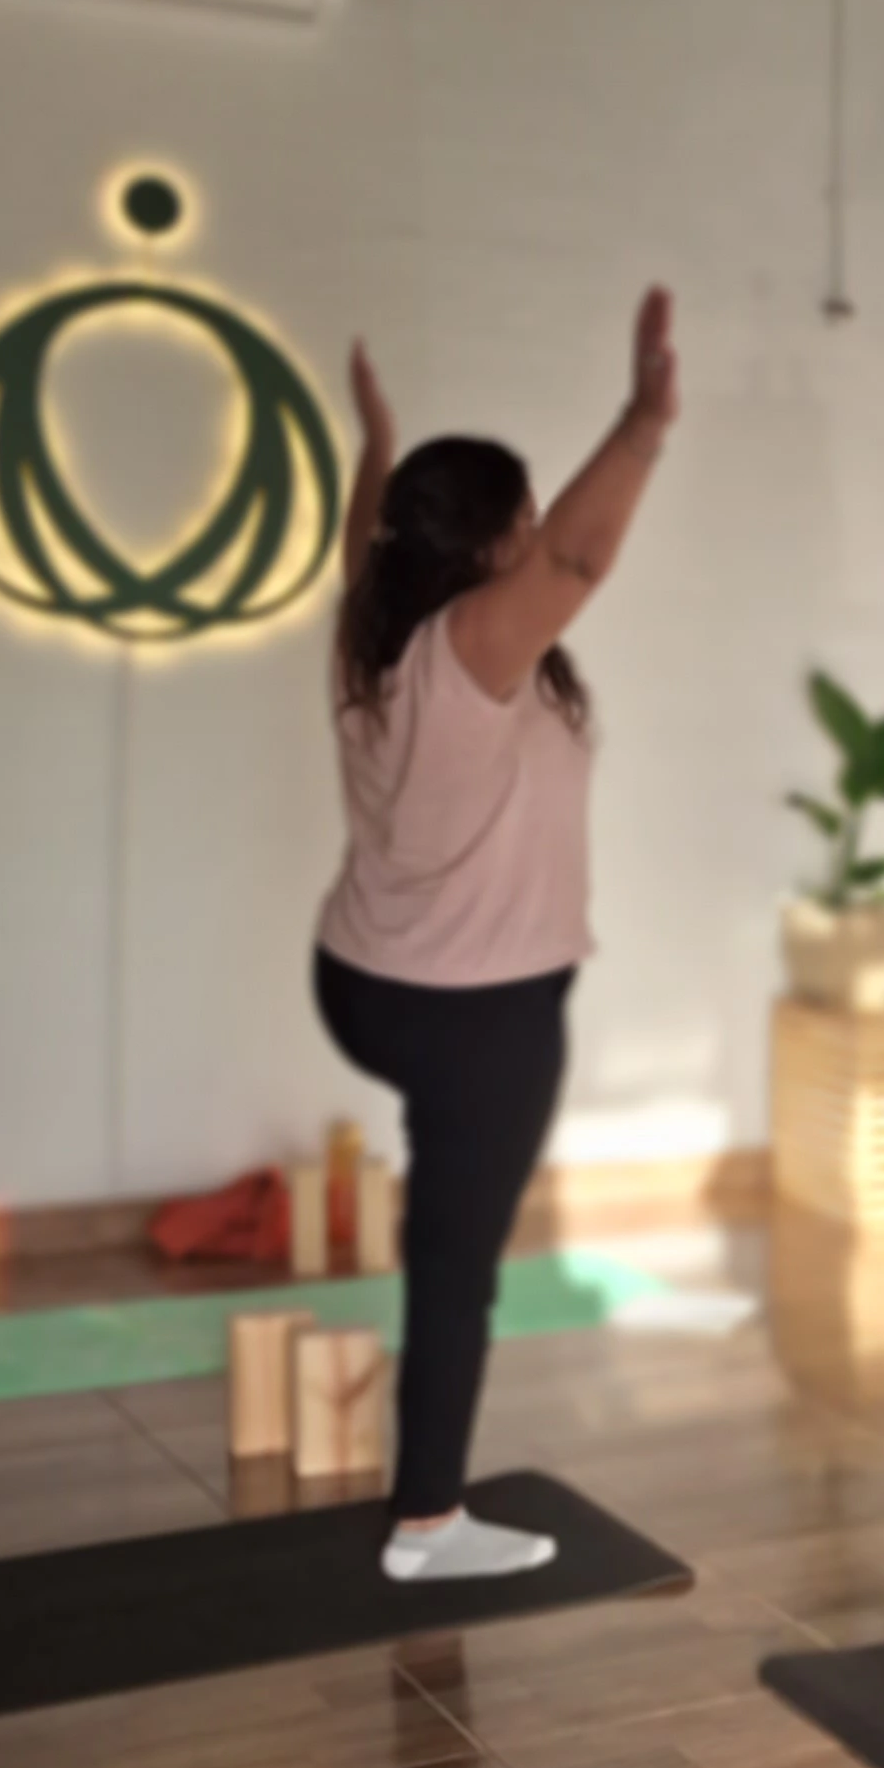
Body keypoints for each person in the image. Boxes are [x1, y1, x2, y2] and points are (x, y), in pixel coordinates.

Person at [314, 291, 679, 1584]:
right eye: (520, 521)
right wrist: (641, 425)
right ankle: (426, 1526)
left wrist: (376, 430)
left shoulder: (376, 617)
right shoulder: (469, 654)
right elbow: (571, 566)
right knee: (454, 1266)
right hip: (472, 1009)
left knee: (443, 1209)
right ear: (491, 546)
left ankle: (427, 1496)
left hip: (363, 979)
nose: (536, 541)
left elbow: (370, 514)